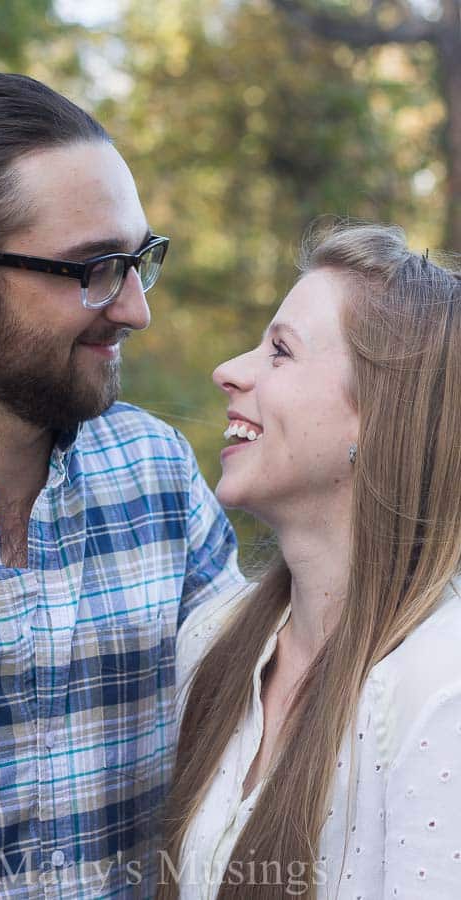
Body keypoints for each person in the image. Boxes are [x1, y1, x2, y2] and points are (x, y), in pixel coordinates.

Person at [0, 72, 241, 898]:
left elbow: (274, 719)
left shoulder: (157, 478)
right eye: (95, 268)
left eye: (140, 259)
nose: (136, 308)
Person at [158, 223, 461, 899]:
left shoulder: (440, 690)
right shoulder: (213, 642)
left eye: (280, 352)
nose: (229, 371)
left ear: (378, 416)